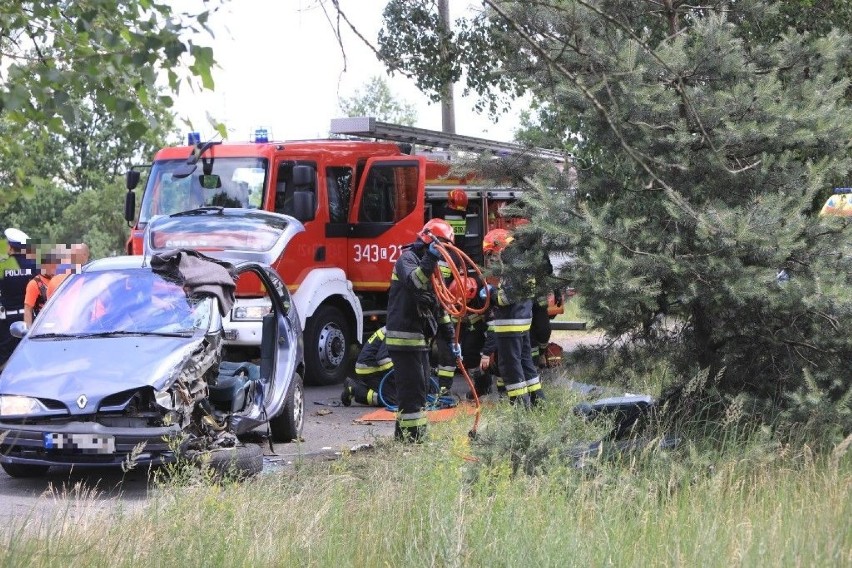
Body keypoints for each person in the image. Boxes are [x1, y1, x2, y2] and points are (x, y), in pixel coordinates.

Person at [385, 218, 460, 442]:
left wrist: (451, 341)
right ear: (431, 241)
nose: (444, 252)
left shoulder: (434, 267)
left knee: (421, 387)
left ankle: (406, 437)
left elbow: (441, 306)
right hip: (403, 339)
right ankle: (413, 440)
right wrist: (430, 258)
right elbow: (415, 283)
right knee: (412, 391)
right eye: (442, 246)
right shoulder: (407, 259)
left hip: (419, 340)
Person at [477, 228, 543, 407]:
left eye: (492, 253)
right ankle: (538, 402)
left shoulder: (513, 264)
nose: (492, 259)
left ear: (500, 246)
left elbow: (505, 298)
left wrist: (491, 294)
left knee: (510, 368)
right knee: (526, 364)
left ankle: (520, 408)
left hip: (510, 325)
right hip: (521, 322)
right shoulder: (521, 262)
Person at [0, 228, 36, 367]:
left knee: (4, 359)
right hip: (29, 319)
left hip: (5, 321)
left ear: (10, 246)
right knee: (28, 358)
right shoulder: (34, 266)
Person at [341, 326, 395, 407]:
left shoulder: (395, 324)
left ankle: (357, 386)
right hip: (369, 369)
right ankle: (355, 389)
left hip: (370, 366)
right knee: (394, 400)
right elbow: (383, 360)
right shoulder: (396, 329)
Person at [23, 249, 59, 326]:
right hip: (42, 328)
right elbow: (28, 309)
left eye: (55, 263)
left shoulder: (59, 280)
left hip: (59, 326)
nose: (54, 266)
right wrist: (27, 332)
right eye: (51, 263)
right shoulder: (34, 284)